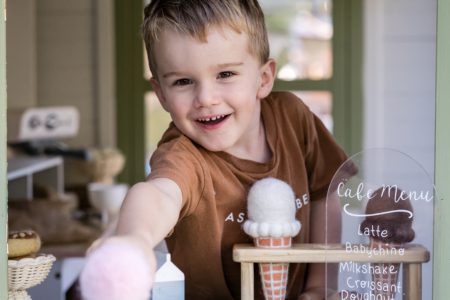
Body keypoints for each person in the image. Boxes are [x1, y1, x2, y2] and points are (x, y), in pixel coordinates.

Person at [81, 0, 349, 299]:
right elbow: (159, 194)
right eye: (183, 81)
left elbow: (325, 194)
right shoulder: (183, 155)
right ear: (161, 95)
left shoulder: (293, 118)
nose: (206, 98)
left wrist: (320, 285)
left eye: (225, 75)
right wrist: (134, 240)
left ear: (263, 78)